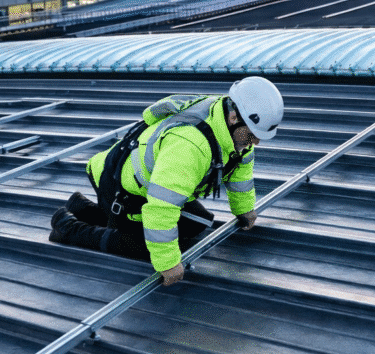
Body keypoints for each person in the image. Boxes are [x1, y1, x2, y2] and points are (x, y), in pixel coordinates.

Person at [49, 77, 284, 286]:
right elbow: (161, 209)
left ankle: (81, 206)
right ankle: (67, 227)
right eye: (252, 135)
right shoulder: (189, 147)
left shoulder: (230, 127)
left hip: (144, 185)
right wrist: (168, 263)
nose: (256, 142)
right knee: (146, 247)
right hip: (120, 189)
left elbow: (240, 171)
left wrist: (245, 210)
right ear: (234, 118)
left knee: (197, 223)